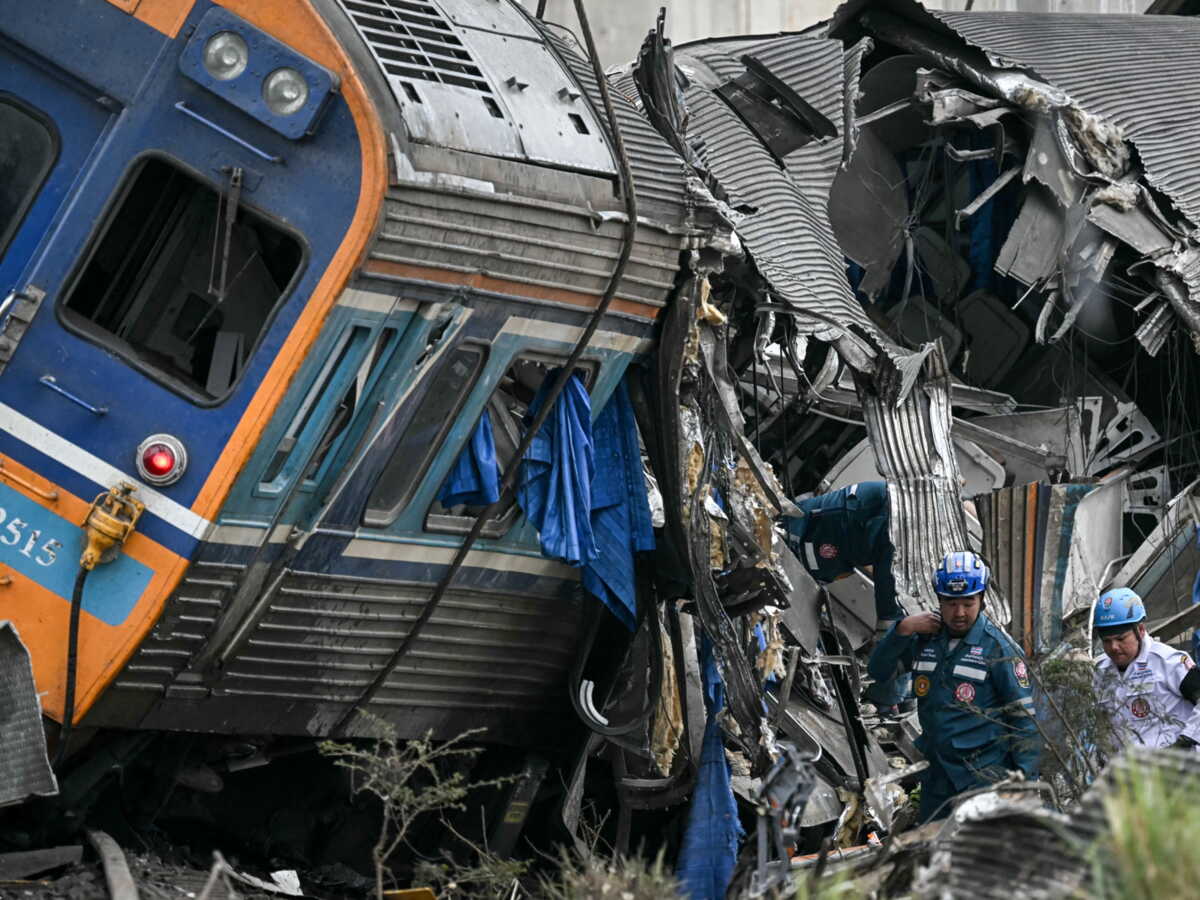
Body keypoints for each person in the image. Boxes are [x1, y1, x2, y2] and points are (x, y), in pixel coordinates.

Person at [868, 550, 1040, 822]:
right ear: (939, 600)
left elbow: (1025, 720)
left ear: (982, 600)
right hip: (937, 778)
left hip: (983, 780)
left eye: (968, 603)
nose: (959, 613)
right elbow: (878, 671)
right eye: (950, 603)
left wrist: (1025, 784)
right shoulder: (926, 639)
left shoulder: (999, 648)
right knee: (933, 845)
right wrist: (902, 629)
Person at [784, 481, 905, 707]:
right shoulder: (900, 523)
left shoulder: (900, 510)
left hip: (817, 546)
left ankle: (887, 698)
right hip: (803, 539)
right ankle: (886, 700)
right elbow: (890, 594)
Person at [1093, 587, 1200, 751]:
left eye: (1121, 639)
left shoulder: (1168, 661)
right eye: (1106, 641)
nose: (1114, 647)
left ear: (1141, 630)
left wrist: (1186, 740)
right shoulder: (1099, 671)